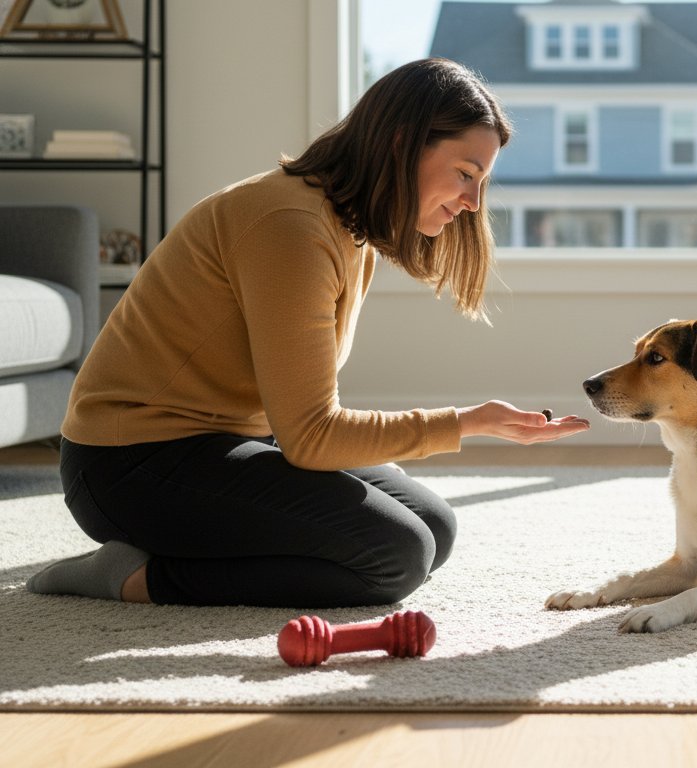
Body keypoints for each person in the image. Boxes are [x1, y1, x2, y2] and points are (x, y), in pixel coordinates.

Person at [27, 58, 589, 608]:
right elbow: (313, 436)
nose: (471, 204)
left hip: (228, 439)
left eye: (480, 182)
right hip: (129, 462)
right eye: (466, 174)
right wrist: (468, 422)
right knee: (395, 554)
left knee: (435, 528)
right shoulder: (289, 226)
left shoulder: (351, 229)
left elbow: (302, 423)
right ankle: (134, 576)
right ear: (400, 143)